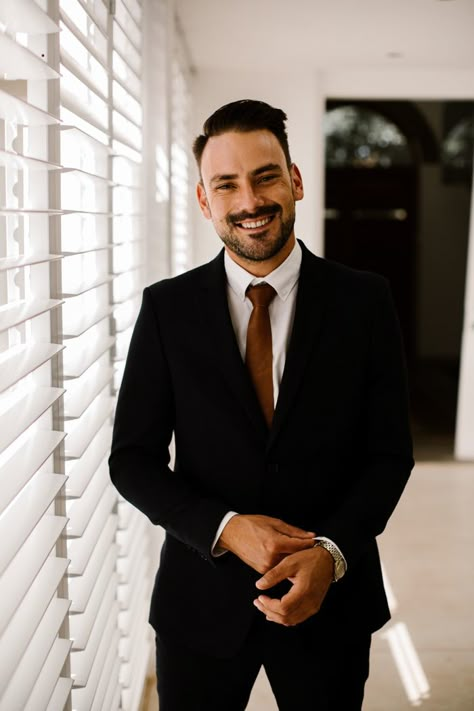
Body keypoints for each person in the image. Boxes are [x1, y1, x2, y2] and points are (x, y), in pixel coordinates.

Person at [109, 99, 414, 711]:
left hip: (329, 604)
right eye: (226, 184)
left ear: (295, 179)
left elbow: (388, 455)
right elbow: (132, 459)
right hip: (200, 603)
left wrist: (331, 554)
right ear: (204, 200)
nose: (249, 200)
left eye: (266, 176)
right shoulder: (167, 310)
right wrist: (225, 530)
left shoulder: (365, 301)